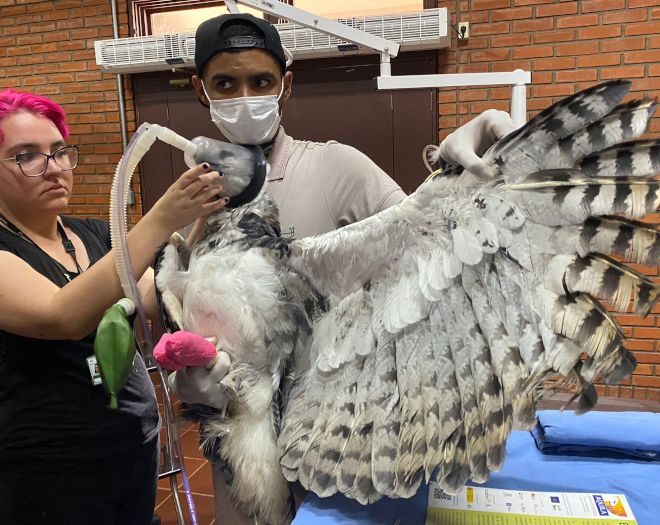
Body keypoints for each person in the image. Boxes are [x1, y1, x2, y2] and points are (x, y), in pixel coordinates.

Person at [166, 13, 516, 524]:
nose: (244, 95)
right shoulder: (192, 193)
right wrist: (191, 379)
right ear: (201, 89)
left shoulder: (333, 167)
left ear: (286, 84)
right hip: (238, 436)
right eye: (226, 84)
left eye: (260, 81)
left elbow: (426, 240)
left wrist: (456, 169)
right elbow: (163, 311)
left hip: (340, 429)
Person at [0, 89, 228, 525]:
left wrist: (202, 218)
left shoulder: (92, 235)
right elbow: (61, 316)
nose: (55, 169)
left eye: (60, 152)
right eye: (27, 156)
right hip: (48, 469)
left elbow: (149, 298)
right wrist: (159, 218)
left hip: (130, 450)